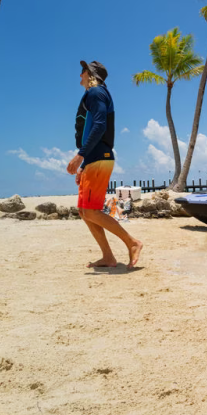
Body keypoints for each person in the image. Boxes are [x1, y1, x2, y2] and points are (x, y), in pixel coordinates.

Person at [65, 60, 143, 268]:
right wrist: (84, 164)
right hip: (93, 159)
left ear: (91, 75)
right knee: (84, 211)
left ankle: (132, 242)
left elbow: (99, 126)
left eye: (83, 71)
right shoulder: (94, 94)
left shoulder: (96, 92)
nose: (80, 75)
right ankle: (108, 256)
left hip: (100, 158)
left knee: (91, 211)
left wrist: (80, 156)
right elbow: (93, 127)